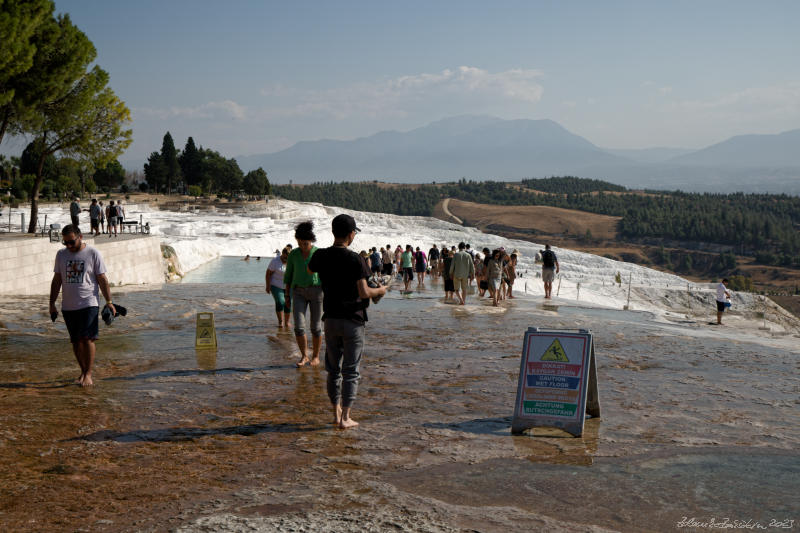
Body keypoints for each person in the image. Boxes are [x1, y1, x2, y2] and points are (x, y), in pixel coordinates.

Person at [308, 214, 387, 429]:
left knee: (333, 370)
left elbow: (310, 269)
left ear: (333, 232)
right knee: (351, 371)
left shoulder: (321, 255)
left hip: (331, 319)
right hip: (353, 320)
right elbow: (363, 292)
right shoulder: (355, 259)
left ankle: (335, 414)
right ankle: (346, 418)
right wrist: (380, 290)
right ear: (351, 234)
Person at [49, 224, 115, 387]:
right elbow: (57, 280)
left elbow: (102, 279)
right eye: (65, 243)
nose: (69, 246)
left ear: (80, 237)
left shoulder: (93, 253)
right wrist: (51, 303)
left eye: (71, 242)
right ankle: (82, 371)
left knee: (87, 339)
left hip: (89, 303)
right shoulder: (61, 254)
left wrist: (109, 302)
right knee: (76, 341)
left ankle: (88, 374)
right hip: (68, 306)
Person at [284, 221, 323, 367]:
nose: (302, 246)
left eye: (304, 243)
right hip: (298, 292)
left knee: (316, 327)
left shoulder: (318, 253)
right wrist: (287, 296)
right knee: (299, 327)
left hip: (317, 291)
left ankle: (316, 356)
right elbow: (288, 276)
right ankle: (304, 356)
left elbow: (325, 276)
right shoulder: (294, 254)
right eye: (299, 243)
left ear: (311, 240)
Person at [266, 248, 291, 328]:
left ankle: (287, 322)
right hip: (276, 285)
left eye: (287, 258)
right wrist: (268, 285)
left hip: (288, 286)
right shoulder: (275, 261)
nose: (285, 259)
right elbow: (268, 273)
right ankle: (281, 322)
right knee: (280, 302)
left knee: (288, 303)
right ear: (282, 254)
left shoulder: (292, 261)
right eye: (284, 257)